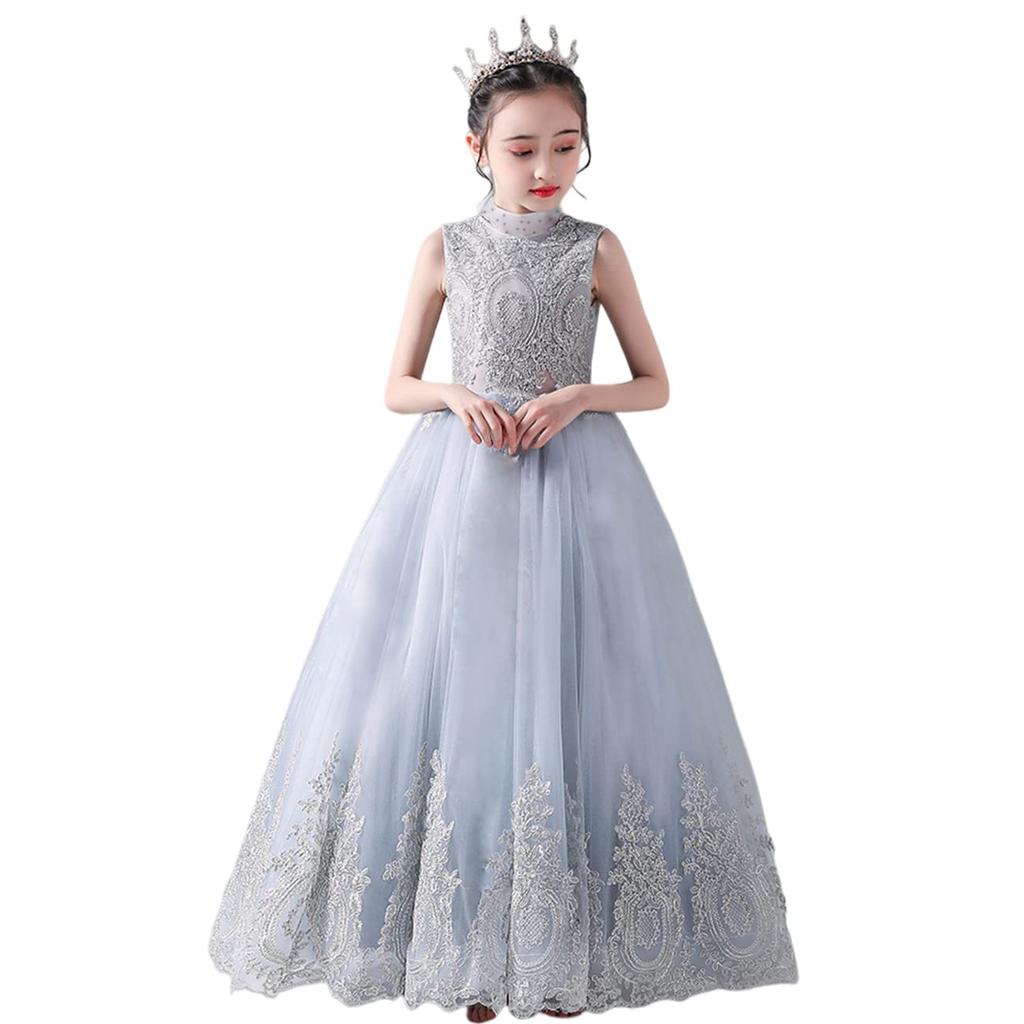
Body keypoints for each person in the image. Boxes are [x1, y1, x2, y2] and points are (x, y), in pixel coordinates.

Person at [208, 17, 799, 1021]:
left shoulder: (597, 249)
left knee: (591, 693)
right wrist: (452, 396)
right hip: (461, 492)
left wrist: (579, 397)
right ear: (476, 147)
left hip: (584, 491)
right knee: (458, 697)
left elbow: (655, 383)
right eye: (522, 148)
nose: (545, 168)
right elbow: (394, 385)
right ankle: (468, 954)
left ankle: (565, 957)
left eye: (566, 146)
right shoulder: (444, 249)